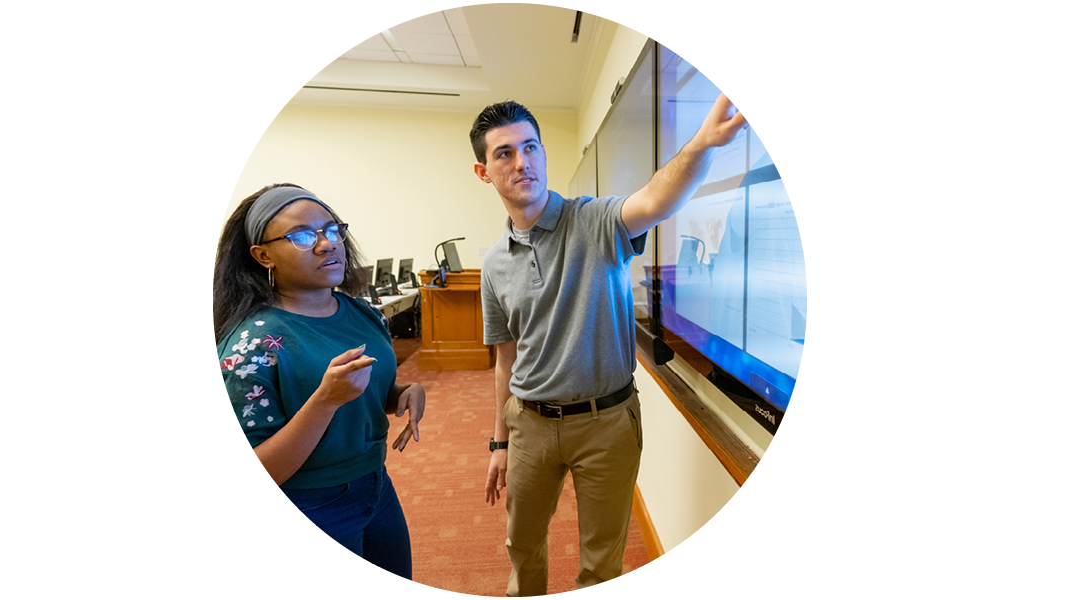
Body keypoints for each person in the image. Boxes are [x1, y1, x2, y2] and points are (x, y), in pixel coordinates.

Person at [473, 95, 747, 595]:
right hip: (528, 424)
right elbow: (504, 358)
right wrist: (500, 442)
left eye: (530, 147)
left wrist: (703, 144)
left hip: (607, 425)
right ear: (483, 171)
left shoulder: (596, 221)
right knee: (523, 546)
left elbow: (657, 199)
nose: (522, 162)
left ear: (544, 155)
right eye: (505, 153)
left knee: (602, 565)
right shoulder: (493, 263)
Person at [213, 183, 426, 579]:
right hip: (309, 504)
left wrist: (401, 393)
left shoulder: (362, 312)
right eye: (303, 236)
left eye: (332, 230)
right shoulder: (251, 344)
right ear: (263, 256)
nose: (327, 244)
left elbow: (362, 393)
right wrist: (324, 400)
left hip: (376, 487)